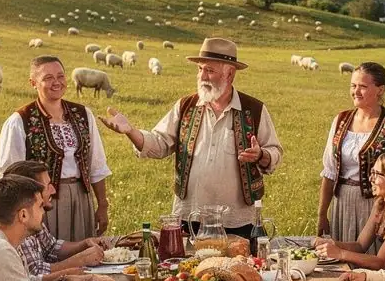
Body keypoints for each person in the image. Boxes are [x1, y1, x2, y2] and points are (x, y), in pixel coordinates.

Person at [100, 37, 282, 238]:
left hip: (238, 220)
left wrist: (260, 155)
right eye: (200, 69)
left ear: (229, 74)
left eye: (209, 70)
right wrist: (130, 131)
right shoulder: (185, 106)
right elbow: (160, 143)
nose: (202, 76)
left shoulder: (253, 109)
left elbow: (275, 152)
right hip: (189, 216)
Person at [0, 55, 110, 241]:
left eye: (60, 76)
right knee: (50, 259)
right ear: (33, 82)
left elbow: (96, 164)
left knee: (85, 253)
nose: (56, 82)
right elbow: (9, 176)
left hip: (81, 198)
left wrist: (102, 205)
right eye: (48, 78)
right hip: (40, 204)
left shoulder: (83, 114)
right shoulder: (19, 120)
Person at [317, 63, 385, 242]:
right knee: (339, 254)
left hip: (375, 205)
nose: (356, 91)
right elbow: (329, 171)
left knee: (369, 255)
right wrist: (322, 215)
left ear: (380, 89)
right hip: (341, 201)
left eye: (363, 86)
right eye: (353, 86)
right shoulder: (341, 120)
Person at [2, 160, 107, 281]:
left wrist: (85, 244)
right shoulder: (17, 227)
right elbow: (36, 276)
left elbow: (52, 248)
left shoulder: (33, 217)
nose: (53, 190)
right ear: (32, 192)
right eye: (48, 186)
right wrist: (80, 260)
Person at [315, 153, 385, 268]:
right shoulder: (380, 205)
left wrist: (339, 253)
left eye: (377, 174)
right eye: (372, 173)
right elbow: (360, 245)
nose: (371, 179)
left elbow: (381, 262)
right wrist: (331, 243)